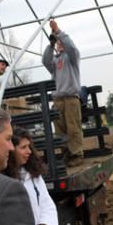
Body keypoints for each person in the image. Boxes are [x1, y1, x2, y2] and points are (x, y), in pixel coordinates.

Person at [4, 127, 58, 225]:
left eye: (29, 146)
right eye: (23, 148)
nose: (29, 151)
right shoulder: (2, 180)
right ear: (11, 149)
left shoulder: (33, 175)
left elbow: (46, 204)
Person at [42, 19, 84, 167]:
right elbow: (45, 60)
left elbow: (71, 46)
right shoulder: (55, 61)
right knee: (60, 129)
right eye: (58, 43)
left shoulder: (72, 57)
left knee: (73, 127)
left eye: (61, 42)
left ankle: (77, 154)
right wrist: (51, 43)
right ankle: (66, 153)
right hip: (58, 99)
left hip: (71, 98)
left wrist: (58, 31)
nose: (60, 44)